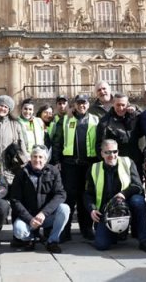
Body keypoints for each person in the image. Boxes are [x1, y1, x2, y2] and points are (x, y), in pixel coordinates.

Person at [84, 139, 146, 253]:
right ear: (101, 153)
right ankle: (116, 234)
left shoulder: (127, 162)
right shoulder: (94, 169)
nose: (112, 155)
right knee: (101, 245)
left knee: (139, 201)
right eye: (107, 152)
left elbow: (137, 186)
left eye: (114, 151)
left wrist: (123, 194)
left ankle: (145, 241)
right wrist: (92, 209)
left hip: (126, 204)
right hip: (106, 209)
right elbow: (88, 194)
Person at [52, 94, 99, 241]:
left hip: (88, 165)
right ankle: (65, 231)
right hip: (69, 165)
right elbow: (57, 142)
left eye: (84, 103)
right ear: (75, 105)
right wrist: (56, 160)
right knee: (69, 198)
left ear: (88, 104)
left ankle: (86, 229)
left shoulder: (95, 120)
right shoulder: (65, 120)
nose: (81, 105)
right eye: (79, 103)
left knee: (85, 197)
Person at [9, 144, 69, 254]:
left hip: (46, 216)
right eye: (35, 157)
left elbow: (60, 194)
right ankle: (30, 238)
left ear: (45, 159)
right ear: (30, 158)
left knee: (64, 209)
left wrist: (44, 213)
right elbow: (14, 200)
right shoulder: (22, 173)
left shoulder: (54, 171)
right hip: (28, 217)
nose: (37, 160)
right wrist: (29, 219)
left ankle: (52, 241)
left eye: (41, 157)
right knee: (19, 231)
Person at [95, 93, 143, 176]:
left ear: (127, 104)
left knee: (137, 187)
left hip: (136, 162)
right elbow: (99, 145)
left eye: (123, 105)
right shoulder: (105, 122)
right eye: (118, 105)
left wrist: (135, 108)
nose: (120, 108)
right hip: (116, 163)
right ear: (113, 104)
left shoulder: (134, 116)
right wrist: (108, 163)